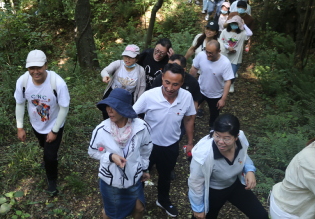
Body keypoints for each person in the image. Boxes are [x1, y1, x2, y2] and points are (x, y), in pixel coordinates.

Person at [133, 63, 196, 217]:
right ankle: (136, 201)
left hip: (171, 145)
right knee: (139, 173)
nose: (170, 88)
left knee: (166, 176)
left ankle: (163, 199)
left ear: (182, 83)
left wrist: (190, 142)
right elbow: (132, 114)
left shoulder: (186, 97)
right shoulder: (149, 96)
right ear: (162, 78)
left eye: (175, 84)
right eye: (167, 82)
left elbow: (189, 119)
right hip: (147, 145)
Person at [188, 114, 268, 219]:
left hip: (234, 184)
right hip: (214, 191)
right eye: (217, 136)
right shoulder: (203, 155)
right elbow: (195, 183)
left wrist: (249, 170)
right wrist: (198, 208)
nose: (221, 142)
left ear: (236, 137)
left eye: (226, 138)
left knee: (261, 215)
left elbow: (244, 154)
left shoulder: (241, 139)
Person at [89, 89, 153, 219]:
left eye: (114, 107)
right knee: (112, 214)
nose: (109, 110)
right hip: (111, 182)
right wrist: (110, 157)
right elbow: (92, 151)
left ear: (124, 109)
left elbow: (146, 149)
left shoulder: (141, 127)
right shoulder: (101, 129)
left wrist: (144, 168)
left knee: (139, 208)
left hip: (134, 178)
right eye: (108, 106)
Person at [14, 50, 70, 195]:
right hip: (36, 124)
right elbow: (20, 103)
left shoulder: (57, 83)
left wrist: (55, 131)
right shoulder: (23, 82)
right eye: (31, 68)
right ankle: (47, 158)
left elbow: (64, 108)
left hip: (54, 123)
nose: (35, 71)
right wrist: (20, 127)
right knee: (43, 145)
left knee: (50, 156)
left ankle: (52, 181)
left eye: (39, 67)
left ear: (46, 65)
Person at [188, 40, 234, 128]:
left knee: (214, 116)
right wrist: (188, 85)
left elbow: (228, 81)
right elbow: (194, 68)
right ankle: (190, 127)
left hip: (215, 95)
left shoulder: (225, 63)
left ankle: (212, 130)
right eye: (207, 51)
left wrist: (223, 99)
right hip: (200, 89)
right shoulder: (201, 55)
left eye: (211, 53)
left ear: (219, 51)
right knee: (191, 110)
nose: (208, 55)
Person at [100, 45, 147, 118]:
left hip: (128, 97)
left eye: (131, 57)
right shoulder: (118, 64)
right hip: (113, 94)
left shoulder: (140, 70)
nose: (127, 59)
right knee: (109, 114)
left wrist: (139, 102)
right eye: (126, 56)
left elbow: (141, 87)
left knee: (124, 117)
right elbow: (105, 70)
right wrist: (105, 75)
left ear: (136, 59)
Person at [219, 15, 249, 93]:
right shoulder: (224, 31)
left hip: (236, 57)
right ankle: (222, 85)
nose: (234, 25)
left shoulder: (242, 33)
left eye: (236, 24)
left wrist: (244, 24)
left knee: (233, 73)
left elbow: (250, 33)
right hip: (225, 55)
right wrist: (227, 47)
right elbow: (220, 41)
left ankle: (231, 84)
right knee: (222, 71)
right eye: (233, 23)